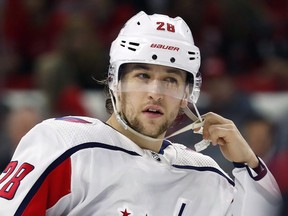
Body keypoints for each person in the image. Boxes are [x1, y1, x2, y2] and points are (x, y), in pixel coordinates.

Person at [0, 11, 282, 216]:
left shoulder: (207, 176)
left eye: (171, 80)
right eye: (143, 76)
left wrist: (250, 164)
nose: (155, 93)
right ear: (115, 82)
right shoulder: (65, 145)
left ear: (188, 94)